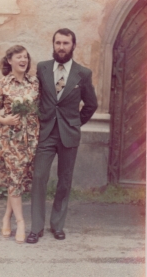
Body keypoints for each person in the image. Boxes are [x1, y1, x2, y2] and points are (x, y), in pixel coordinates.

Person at [26, 28, 98, 243]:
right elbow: (36, 98)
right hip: (46, 133)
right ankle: (36, 227)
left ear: (73, 45)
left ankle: (57, 225)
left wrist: (75, 123)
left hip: (69, 135)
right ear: (53, 44)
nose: (61, 47)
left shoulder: (82, 74)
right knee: (38, 177)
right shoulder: (42, 68)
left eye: (66, 43)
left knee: (64, 181)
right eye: (58, 42)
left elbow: (91, 104)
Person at [0, 45, 40, 244]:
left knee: (17, 180)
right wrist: (4, 120)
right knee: (14, 178)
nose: (23, 60)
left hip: (32, 138)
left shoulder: (35, 83)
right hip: (11, 139)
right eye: (19, 57)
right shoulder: (1, 84)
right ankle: (21, 222)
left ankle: (6, 216)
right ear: (9, 61)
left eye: (25, 57)